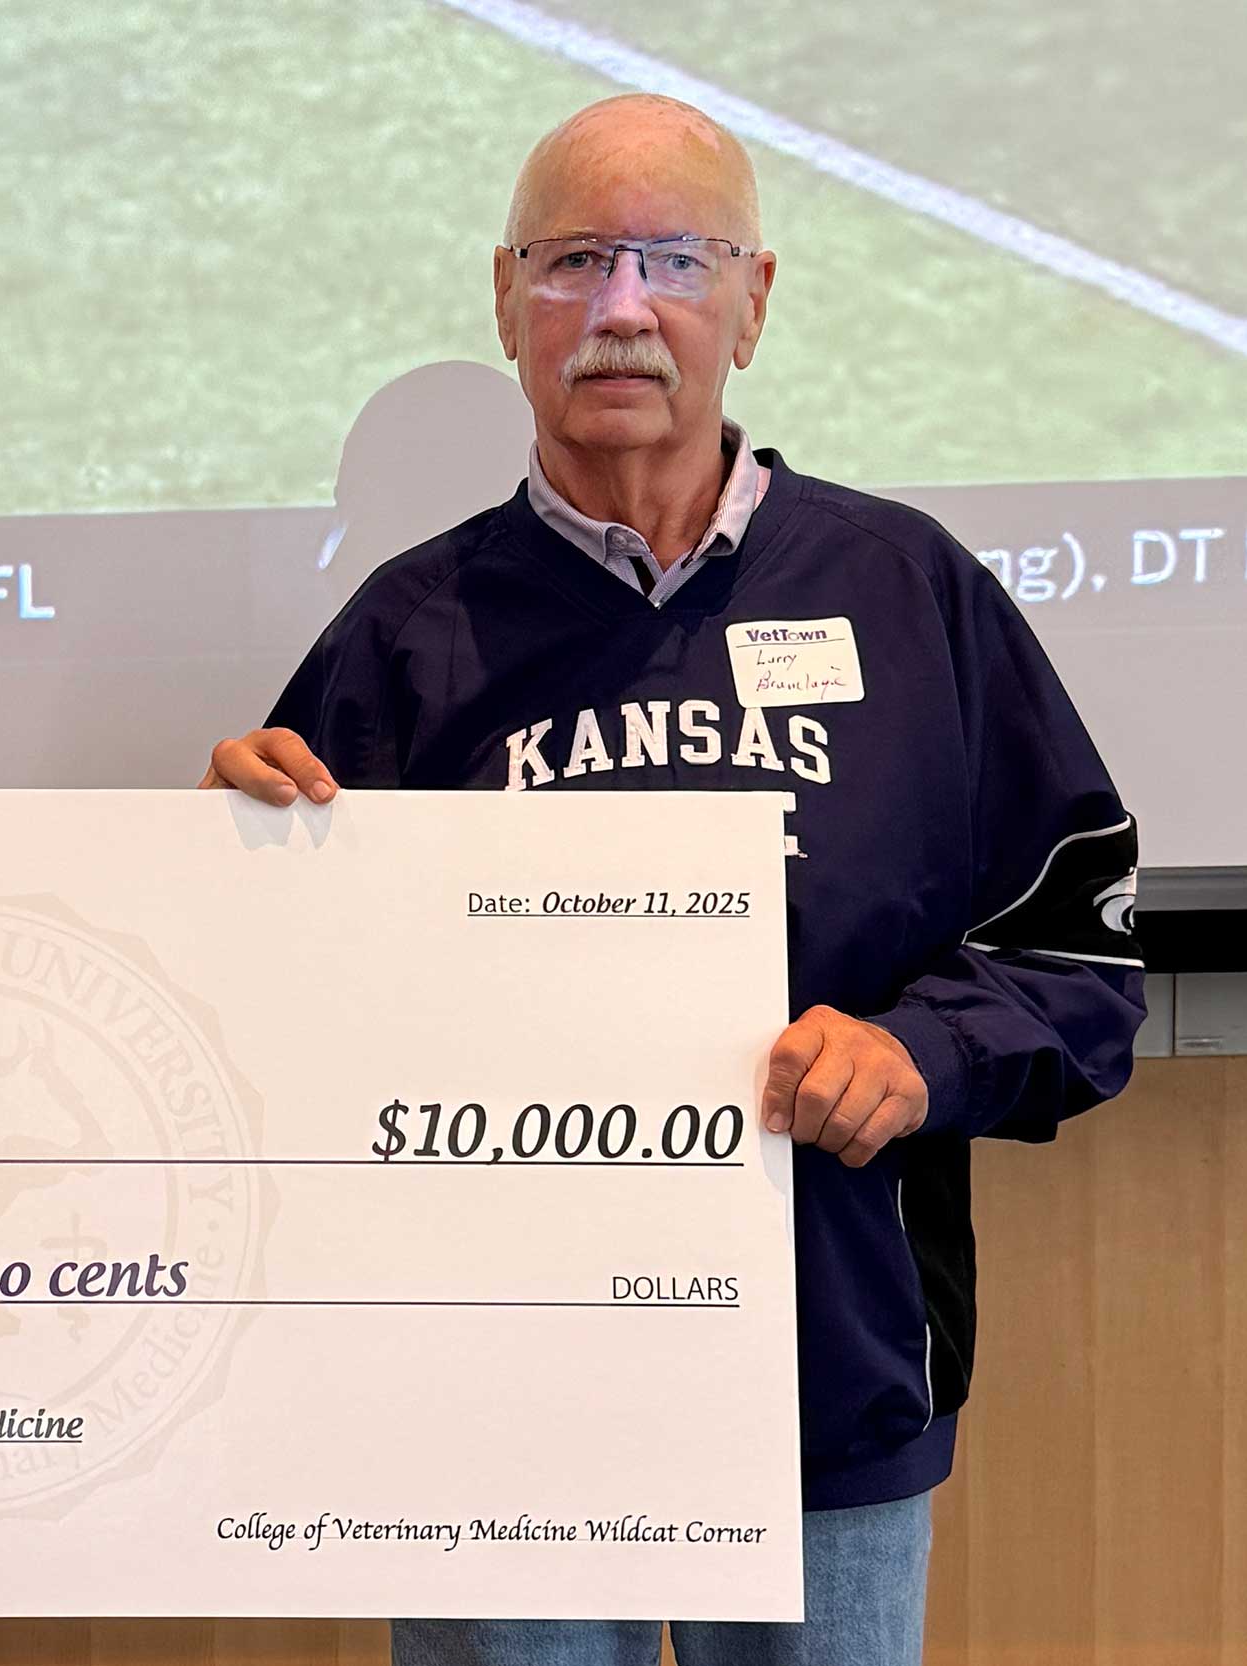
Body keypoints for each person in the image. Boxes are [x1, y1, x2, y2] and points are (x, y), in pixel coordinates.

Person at [202, 95, 1142, 1665]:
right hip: (487, 1405)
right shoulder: (401, 635)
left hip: (825, 1390)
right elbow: (267, 1044)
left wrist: (921, 1054)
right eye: (576, 259)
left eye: (675, 259)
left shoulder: (911, 594)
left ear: (752, 304)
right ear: (506, 300)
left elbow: (1081, 949)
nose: (623, 307)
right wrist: (225, 867)